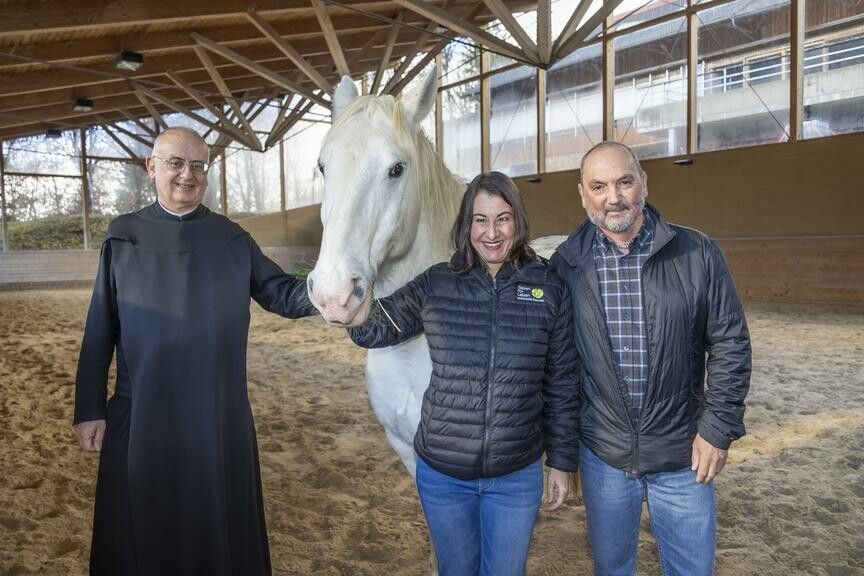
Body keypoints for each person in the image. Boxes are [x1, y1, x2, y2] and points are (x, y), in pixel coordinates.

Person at [73, 126, 316, 575]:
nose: (188, 174)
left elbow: (281, 293)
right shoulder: (122, 237)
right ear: (151, 168)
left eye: (199, 165)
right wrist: (89, 406)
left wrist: (332, 292)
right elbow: (99, 329)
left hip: (216, 415)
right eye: (176, 163)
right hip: (142, 411)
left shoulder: (231, 238)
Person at [347, 171, 580, 576]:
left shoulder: (548, 287)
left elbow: (562, 382)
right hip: (443, 477)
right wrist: (349, 296)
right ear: (466, 225)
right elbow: (376, 328)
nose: (492, 232)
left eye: (502, 218)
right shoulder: (438, 283)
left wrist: (560, 462)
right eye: (480, 219)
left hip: (516, 475)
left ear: (518, 222)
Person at [550, 141, 752, 576]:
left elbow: (731, 344)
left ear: (644, 182)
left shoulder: (697, 253)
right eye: (599, 186)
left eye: (624, 181)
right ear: (583, 194)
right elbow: (561, 373)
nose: (614, 197)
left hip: (683, 455)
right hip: (604, 457)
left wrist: (717, 430)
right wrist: (563, 457)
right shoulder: (565, 266)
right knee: (612, 568)